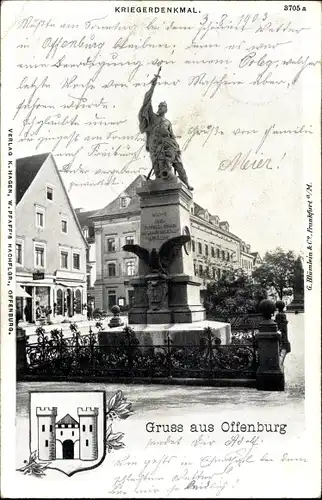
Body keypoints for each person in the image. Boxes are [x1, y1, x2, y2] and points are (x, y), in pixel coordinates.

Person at [138, 70, 193, 190]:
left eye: (162, 107)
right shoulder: (153, 118)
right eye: (159, 106)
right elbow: (147, 102)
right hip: (156, 148)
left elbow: (172, 135)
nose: (160, 108)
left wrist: (177, 147)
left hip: (170, 146)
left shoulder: (167, 122)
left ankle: (186, 183)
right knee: (160, 171)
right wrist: (153, 86)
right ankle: (162, 180)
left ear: (166, 109)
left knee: (179, 165)